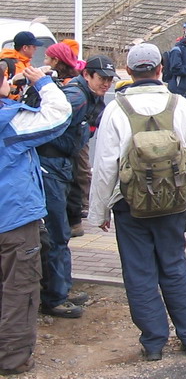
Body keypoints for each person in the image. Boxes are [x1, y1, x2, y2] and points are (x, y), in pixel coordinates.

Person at [87, 43, 186, 361]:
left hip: (130, 206)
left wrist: (99, 211)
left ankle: (153, 343)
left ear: (128, 71)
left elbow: (105, 166)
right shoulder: (180, 105)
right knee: (174, 267)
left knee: (139, 273)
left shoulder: (116, 109)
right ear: (160, 69)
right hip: (174, 203)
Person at [0, 63, 70, 375]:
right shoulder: (9, 123)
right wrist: (43, 83)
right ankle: (13, 359)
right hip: (12, 219)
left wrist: (14, 88)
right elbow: (59, 116)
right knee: (19, 288)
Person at [36, 54, 117, 319]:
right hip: (51, 167)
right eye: (102, 78)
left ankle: (62, 288)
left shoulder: (90, 97)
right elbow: (45, 126)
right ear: (87, 75)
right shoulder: (75, 97)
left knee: (62, 233)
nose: (106, 84)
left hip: (62, 166)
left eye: (110, 79)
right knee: (56, 233)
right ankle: (55, 298)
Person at [0, 30, 43, 101]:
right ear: (25, 48)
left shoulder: (28, 64)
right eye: (33, 46)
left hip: (22, 104)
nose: (36, 48)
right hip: (8, 105)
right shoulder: (5, 64)